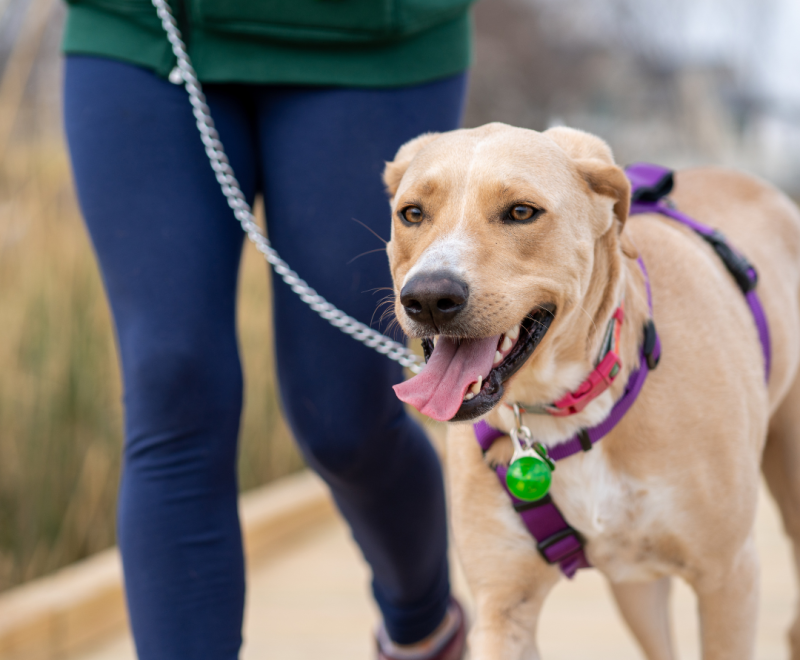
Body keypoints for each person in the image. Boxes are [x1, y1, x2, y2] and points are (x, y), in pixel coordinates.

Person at [61, 1, 474, 659]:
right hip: (147, 33)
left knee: (345, 416)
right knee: (173, 385)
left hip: (370, 45)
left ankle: (425, 624)